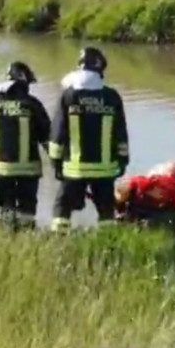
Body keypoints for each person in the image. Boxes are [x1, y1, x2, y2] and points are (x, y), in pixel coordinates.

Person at [48, 46, 130, 232]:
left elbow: (58, 133)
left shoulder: (69, 96)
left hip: (74, 168)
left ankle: (58, 241)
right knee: (106, 210)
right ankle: (108, 243)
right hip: (105, 169)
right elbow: (120, 133)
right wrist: (123, 161)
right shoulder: (111, 97)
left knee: (62, 207)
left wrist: (55, 163)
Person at [0, 61, 51, 230]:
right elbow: (47, 138)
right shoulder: (33, 105)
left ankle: (7, 236)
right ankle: (27, 237)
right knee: (27, 207)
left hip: (1, 168)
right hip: (29, 169)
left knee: (5, 205)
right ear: (23, 81)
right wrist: (58, 164)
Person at [114, 161, 175, 234]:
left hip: (137, 203)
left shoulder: (149, 179)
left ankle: (122, 214)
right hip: (154, 211)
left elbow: (133, 183)